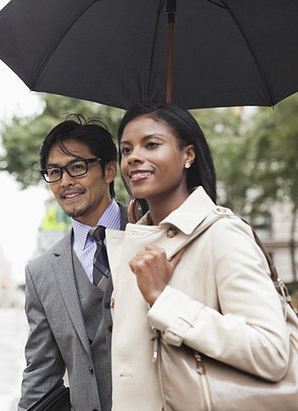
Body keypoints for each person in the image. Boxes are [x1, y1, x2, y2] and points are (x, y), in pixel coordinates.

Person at [107, 102, 290, 410]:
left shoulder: (221, 234)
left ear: (188, 155)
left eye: (151, 144)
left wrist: (164, 299)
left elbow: (270, 351)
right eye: (126, 149)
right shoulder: (133, 241)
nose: (134, 157)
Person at [19, 115, 127, 411]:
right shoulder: (40, 273)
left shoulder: (153, 231)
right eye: (54, 172)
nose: (65, 182)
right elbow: (40, 372)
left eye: (77, 167)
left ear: (109, 170)